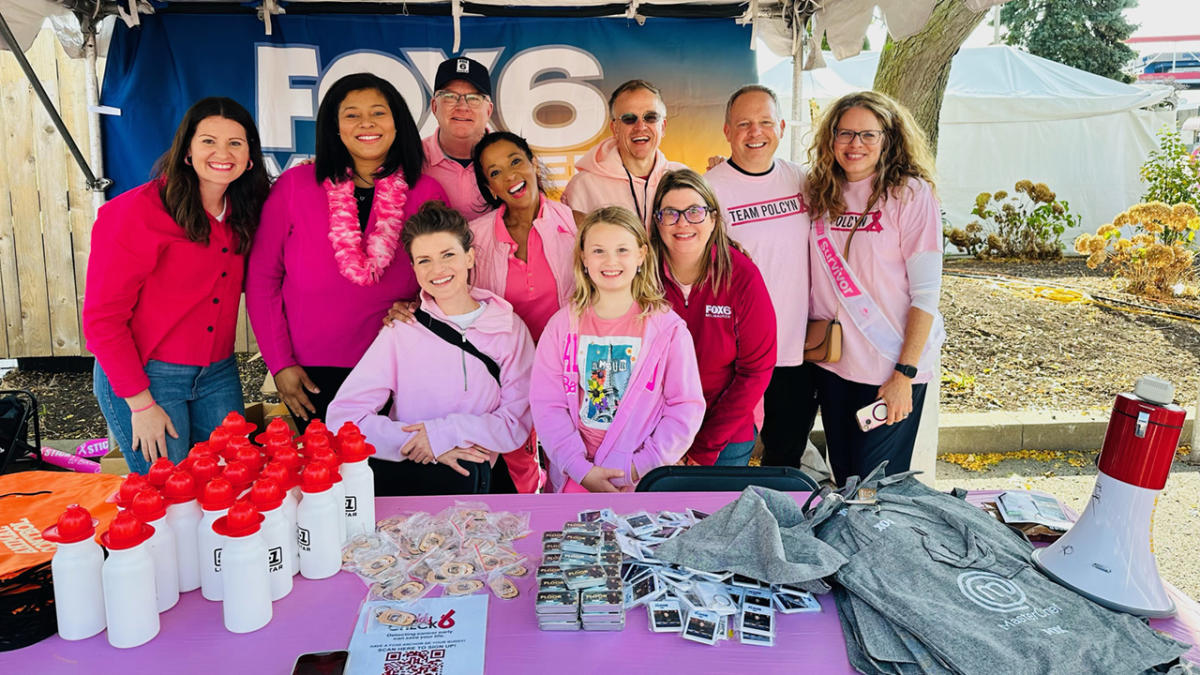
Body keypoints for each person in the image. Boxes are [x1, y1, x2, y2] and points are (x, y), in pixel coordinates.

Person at [246, 72, 450, 423]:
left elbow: (448, 276)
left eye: (378, 112)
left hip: (400, 364)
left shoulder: (427, 192)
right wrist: (280, 364)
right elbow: (262, 280)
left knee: (396, 475)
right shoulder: (296, 185)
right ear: (334, 127)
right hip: (311, 371)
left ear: (398, 123)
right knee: (331, 475)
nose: (366, 123)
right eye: (352, 114)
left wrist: (420, 305)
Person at [85, 97, 271, 474]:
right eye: (208, 141)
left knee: (232, 483)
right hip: (148, 377)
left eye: (236, 142)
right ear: (187, 149)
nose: (223, 153)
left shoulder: (247, 211)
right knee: (172, 498)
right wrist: (140, 405)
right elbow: (102, 320)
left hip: (217, 373)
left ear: (250, 155)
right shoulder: (134, 214)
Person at [327, 202, 534, 496]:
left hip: (478, 485)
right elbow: (343, 419)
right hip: (416, 480)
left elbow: (516, 423)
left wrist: (442, 436)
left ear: (470, 257)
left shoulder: (509, 329)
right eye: (424, 260)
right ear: (413, 268)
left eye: (448, 255)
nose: (438, 269)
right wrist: (416, 444)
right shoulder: (402, 329)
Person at [805, 91, 945, 483]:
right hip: (835, 366)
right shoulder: (820, 193)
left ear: (889, 138)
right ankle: (850, 544)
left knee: (875, 486)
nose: (855, 144)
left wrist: (904, 373)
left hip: (890, 368)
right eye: (845, 133)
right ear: (831, 138)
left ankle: (876, 546)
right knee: (846, 476)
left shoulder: (910, 195)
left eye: (868, 134)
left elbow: (926, 294)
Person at [530, 206, 705, 493]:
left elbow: (684, 407)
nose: (611, 261)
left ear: (641, 255)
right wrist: (580, 468)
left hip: (640, 480)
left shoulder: (667, 329)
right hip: (577, 476)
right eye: (598, 251)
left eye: (622, 250)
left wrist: (639, 467)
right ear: (583, 258)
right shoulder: (562, 326)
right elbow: (548, 404)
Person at [705, 84, 816, 469]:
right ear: (727, 130)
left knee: (785, 458)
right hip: (737, 356)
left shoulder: (803, 181)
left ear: (782, 127)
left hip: (794, 351)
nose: (756, 132)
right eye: (745, 124)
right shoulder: (708, 190)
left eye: (765, 122)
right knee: (729, 459)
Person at [649, 169, 776, 466]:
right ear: (657, 222)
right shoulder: (642, 275)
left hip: (725, 435)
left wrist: (705, 446)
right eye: (670, 213)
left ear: (714, 218)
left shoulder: (742, 277)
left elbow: (756, 371)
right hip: (654, 432)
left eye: (695, 211)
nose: (683, 223)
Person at [468, 131, 578, 342]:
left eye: (515, 161)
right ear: (491, 189)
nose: (509, 176)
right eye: (495, 172)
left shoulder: (575, 224)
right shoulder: (473, 238)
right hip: (506, 366)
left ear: (534, 164)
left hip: (566, 362)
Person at [561, 80, 686, 224]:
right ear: (615, 129)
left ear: (662, 127)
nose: (640, 127)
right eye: (629, 119)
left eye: (650, 117)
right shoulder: (583, 187)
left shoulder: (683, 177)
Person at [422, 56, 494, 216]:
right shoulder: (412, 159)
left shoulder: (512, 159)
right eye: (450, 97)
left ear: (488, 110)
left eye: (474, 98)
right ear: (434, 106)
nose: (462, 107)